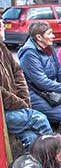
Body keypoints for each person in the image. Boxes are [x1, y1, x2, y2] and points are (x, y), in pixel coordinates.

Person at [18, 21, 61, 143]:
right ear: (39, 37)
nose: (53, 36)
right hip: (37, 96)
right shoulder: (29, 54)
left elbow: (60, 71)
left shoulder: (49, 49)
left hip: (54, 92)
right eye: (49, 33)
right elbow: (41, 82)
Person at [0, 20, 53, 150]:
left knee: (31, 139)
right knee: (39, 118)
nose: (4, 30)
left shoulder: (2, 48)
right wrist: (21, 104)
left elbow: (17, 71)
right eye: (1, 27)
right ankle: (56, 157)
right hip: (3, 113)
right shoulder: (28, 52)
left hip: (16, 106)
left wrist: (24, 98)